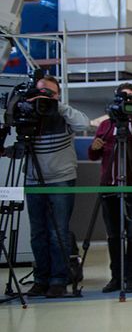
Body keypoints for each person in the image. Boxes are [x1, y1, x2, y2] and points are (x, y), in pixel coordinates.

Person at [22, 75, 90, 298]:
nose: (44, 98)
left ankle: (58, 279)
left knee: (57, 231)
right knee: (37, 233)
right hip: (33, 179)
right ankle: (41, 278)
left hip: (61, 177)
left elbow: (84, 123)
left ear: (58, 95)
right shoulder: (30, 115)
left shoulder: (63, 114)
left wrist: (56, 105)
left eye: (49, 93)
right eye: (40, 93)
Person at [88, 83, 132, 293]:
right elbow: (94, 154)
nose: (130, 100)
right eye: (126, 97)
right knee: (114, 234)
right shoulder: (107, 124)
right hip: (110, 183)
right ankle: (116, 277)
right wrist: (94, 147)